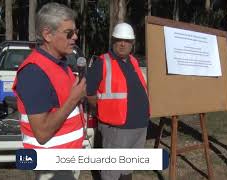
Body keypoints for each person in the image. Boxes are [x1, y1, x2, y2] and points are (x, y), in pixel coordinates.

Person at [12, 2, 86, 180]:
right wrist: (73, 99)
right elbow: (42, 133)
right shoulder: (33, 72)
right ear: (47, 34)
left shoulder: (62, 64)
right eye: (69, 33)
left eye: (76, 32)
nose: (75, 37)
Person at [86, 22, 149, 180]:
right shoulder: (103, 62)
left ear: (132, 44)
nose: (122, 44)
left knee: (127, 170)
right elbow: (88, 92)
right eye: (119, 40)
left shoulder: (133, 61)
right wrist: (102, 110)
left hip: (139, 126)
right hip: (116, 129)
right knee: (112, 173)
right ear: (113, 41)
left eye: (126, 41)